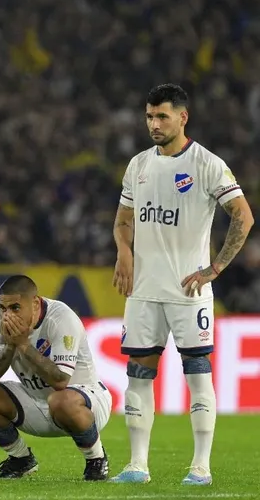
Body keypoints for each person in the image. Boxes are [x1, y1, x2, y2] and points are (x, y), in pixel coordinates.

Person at [110, 83, 254, 485]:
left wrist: (214, 269)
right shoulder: (138, 164)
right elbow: (123, 219)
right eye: (149, 117)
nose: (153, 124)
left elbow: (242, 216)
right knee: (138, 372)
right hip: (143, 291)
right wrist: (124, 251)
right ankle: (138, 465)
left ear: (182, 117)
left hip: (189, 293)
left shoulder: (207, 164)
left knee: (197, 373)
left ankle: (201, 467)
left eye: (162, 117)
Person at [0, 275, 112, 481]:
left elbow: (60, 381)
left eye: (15, 307)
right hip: (36, 402)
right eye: (3, 308)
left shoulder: (62, 318)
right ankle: (21, 460)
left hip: (84, 403)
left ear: (35, 303)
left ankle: (96, 460)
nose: (7, 314)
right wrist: (10, 345)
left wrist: (23, 345)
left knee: (60, 399)